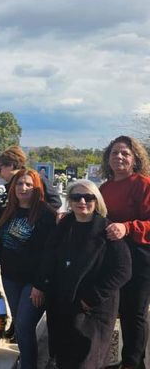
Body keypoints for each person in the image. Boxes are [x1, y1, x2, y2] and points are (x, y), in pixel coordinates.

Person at [0, 169, 56, 369]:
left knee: (25, 325)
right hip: (10, 277)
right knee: (20, 325)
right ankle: (26, 360)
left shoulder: (46, 215)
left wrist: (40, 285)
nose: (23, 188)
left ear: (37, 188)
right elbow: (1, 244)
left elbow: (50, 255)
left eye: (28, 185)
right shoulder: (7, 212)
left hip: (34, 282)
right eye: (19, 184)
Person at [40, 180, 131, 368]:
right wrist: (40, 284)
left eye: (88, 197)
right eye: (76, 197)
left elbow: (123, 270)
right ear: (70, 202)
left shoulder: (108, 230)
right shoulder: (63, 226)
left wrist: (91, 297)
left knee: (87, 361)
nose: (82, 201)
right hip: (63, 306)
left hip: (93, 310)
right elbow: (49, 257)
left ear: (96, 201)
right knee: (64, 358)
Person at [99, 135, 150, 369]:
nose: (119, 157)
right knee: (109, 309)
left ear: (135, 159)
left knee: (133, 313)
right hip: (109, 257)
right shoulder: (104, 188)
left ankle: (133, 363)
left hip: (139, 257)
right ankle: (111, 359)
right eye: (114, 153)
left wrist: (127, 227)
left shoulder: (143, 184)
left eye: (125, 153)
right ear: (107, 159)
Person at [0, 146, 61, 210]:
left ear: (10, 165)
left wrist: (34, 215)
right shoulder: (8, 187)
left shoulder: (38, 179)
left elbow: (56, 202)